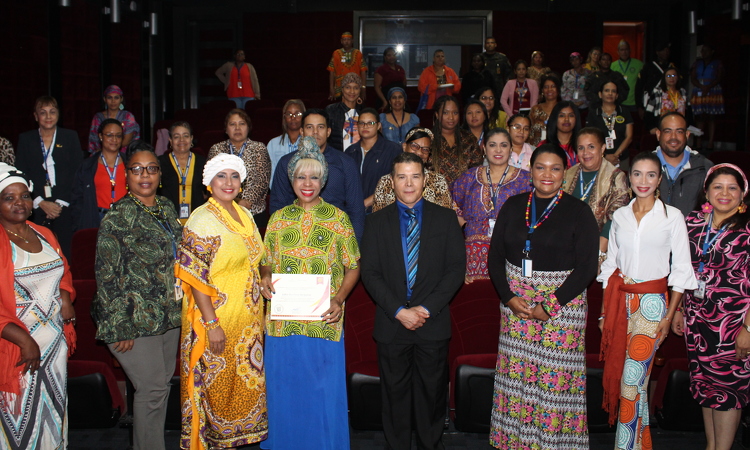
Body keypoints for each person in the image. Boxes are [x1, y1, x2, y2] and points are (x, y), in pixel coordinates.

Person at [487, 144, 599, 450]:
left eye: (555, 168)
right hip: (517, 309)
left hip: (562, 310)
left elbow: (588, 266)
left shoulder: (579, 211)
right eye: (540, 167)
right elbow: (495, 258)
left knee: (554, 387)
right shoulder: (513, 205)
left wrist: (550, 305)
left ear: (565, 173)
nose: (546, 174)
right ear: (530, 170)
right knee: (517, 382)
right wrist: (509, 297)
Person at [259, 137, 360, 450]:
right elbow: (265, 263)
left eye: (314, 176)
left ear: (323, 180)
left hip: (322, 323)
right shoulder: (277, 221)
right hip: (282, 325)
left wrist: (339, 298)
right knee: (285, 392)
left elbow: (354, 266)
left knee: (322, 393)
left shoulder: (339, 220)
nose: (308, 183)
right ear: (291, 180)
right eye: (301, 176)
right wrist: (264, 278)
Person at [360, 151, 465, 450]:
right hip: (392, 325)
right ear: (392, 182)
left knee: (432, 396)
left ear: (425, 179)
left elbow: (456, 270)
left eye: (415, 176)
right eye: (402, 177)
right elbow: (370, 273)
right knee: (393, 397)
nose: (409, 183)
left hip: (432, 323)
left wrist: (424, 308)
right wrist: (398, 311)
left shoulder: (445, 219)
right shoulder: (376, 222)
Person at [598, 151, 697, 450]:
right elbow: (609, 266)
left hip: (653, 305)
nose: (643, 181)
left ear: (659, 179)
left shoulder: (672, 217)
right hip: (618, 304)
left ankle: (624, 446)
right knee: (636, 386)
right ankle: (641, 445)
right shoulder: (620, 216)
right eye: (637, 174)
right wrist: (604, 314)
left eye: (650, 175)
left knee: (631, 383)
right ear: (629, 178)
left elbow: (682, 269)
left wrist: (668, 316)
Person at [92, 141, 182, 450]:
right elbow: (106, 277)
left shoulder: (167, 208)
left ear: (159, 173)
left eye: (152, 169)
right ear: (127, 175)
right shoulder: (116, 218)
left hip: (168, 315)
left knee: (159, 389)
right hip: (133, 318)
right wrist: (120, 326)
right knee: (152, 389)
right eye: (137, 169)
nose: (145, 175)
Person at [176, 153, 268, 449]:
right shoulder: (201, 219)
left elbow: (260, 259)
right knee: (217, 395)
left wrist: (265, 277)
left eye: (234, 176)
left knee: (243, 391)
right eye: (221, 176)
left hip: (248, 326)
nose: (228, 183)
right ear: (208, 183)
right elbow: (195, 278)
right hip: (217, 323)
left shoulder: (246, 215)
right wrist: (212, 323)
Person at [673, 164, 750, 450]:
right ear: (706, 191)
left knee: (729, 391)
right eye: (718, 187)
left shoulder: (747, 230)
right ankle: (711, 446)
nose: (725, 193)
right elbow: (681, 269)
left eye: (733, 188)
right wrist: (679, 309)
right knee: (706, 388)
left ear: (743, 194)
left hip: (734, 325)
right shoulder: (693, 222)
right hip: (697, 321)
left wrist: (748, 329)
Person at [0, 163, 76, 450]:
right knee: (19, 420)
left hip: (55, 344)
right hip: (18, 346)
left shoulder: (44, 232)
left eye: (23, 196)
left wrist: (66, 298)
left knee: (53, 413)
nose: (18, 203)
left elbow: (63, 270)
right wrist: (24, 340)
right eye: (9, 197)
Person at [270, 109, 365, 241]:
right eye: (310, 127)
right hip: (295, 238)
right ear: (302, 132)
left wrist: (355, 250)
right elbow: (277, 206)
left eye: (320, 127)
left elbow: (356, 210)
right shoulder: (287, 163)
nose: (315, 132)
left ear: (328, 132)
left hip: (336, 238)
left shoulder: (345, 163)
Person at [452, 128, 531, 283]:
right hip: (473, 255)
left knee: (508, 299)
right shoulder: (470, 176)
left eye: (503, 145)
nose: (498, 150)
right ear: (484, 148)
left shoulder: (525, 179)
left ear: (511, 148)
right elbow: (451, 202)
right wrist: (462, 223)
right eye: (492, 145)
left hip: (510, 252)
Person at [15, 96, 84, 259]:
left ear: (58, 114)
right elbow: (22, 174)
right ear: (35, 116)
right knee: (38, 254)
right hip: (36, 206)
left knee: (65, 254)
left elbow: (77, 172)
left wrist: (59, 203)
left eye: (52, 112)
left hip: (65, 206)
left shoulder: (70, 137)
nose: (48, 117)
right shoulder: (26, 139)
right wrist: (39, 201)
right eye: (43, 112)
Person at [563, 127, 630, 259]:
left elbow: (616, 217)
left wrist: (599, 251)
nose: (586, 153)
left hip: (600, 247)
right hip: (567, 243)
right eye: (581, 148)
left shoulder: (616, 177)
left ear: (603, 148)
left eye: (591, 147)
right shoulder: (568, 174)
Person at [372, 127, 454, 212]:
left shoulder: (438, 181)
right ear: (404, 146)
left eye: (425, 149)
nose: (419, 152)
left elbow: (445, 217)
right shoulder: (385, 182)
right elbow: (378, 219)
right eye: (414, 146)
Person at [207, 109, 271, 216]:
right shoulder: (216, 149)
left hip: (253, 211)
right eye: (232, 124)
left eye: (242, 124)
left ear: (248, 128)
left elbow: (261, 182)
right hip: (222, 210)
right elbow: (210, 180)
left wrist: (244, 203)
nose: (237, 128)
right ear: (226, 129)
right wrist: (236, 202)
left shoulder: (259, 148)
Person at [70, 119, 128, 231]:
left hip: (125, 218)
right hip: (97, 219)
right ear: (101, 136)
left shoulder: (131, 163)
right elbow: (77, 198)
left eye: (118, 136)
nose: (114, 140)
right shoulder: (87, 166)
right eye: (109, 135)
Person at [654, 112, 713, 217]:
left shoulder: (704, 168)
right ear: (658, 134)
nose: (673, 137)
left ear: (687, 135)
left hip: (692, 232)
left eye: (679, 131)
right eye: (668, 131)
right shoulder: (642, 167)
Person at [345, 108, 402, 210]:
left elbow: (395, 183)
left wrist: (365, 203)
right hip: (354, 211)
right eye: (361, 123)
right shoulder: (350, 151)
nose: (365, 126)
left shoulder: (393, 150)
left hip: (383, 211)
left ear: (378, 126)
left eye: (370, 123)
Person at [158, 121, 207, 224]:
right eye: (176, 137)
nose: (182, 140)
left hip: (197, 222)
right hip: (168, 221)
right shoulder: (160, 163)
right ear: (170, 140)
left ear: (191, 139)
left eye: (185, 136)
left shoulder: (203, 163)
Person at [429, 96, 482, 186]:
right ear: (437, 115)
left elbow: (477, 170)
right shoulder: (428, 138)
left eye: (455, 113)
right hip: (434, 194)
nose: (451, 117)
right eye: (446, 113)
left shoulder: (468, 139)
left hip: (464, 194)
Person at [586, 81, 634, 171]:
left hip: (621, 158)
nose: (610, 93)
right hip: (599, 158)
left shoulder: (624, 111)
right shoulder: (593, 113)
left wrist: (615, 156)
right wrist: (605, 155)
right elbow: (590, 138)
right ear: (600, 94)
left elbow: (629, 137)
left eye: (613, 91)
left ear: (617, 95)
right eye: (607, 90)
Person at [87, 85, 141, 153]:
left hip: (124, 155)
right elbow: (95, 140)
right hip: (102, 154)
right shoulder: (98, 117)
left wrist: (111, 150)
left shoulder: (127, 116)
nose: (113, 101)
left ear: (121, 99)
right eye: (109, 97)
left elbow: (127, 140)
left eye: (116, 98)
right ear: (105, 99)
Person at [690, 43, 725, 151]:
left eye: (706, 50)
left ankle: (710, 142)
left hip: (713, 90)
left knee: (711, 117)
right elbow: (693, 77)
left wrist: (708, 87)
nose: (703, 53)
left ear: (712, 51)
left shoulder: (717, 63)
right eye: (702, 51)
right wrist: (701, 87)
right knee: (699, 116)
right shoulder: (697, 63)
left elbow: (719, 77)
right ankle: (699, 142)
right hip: (699, 89)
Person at [267, 99, 305, 179]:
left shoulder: (310, 143)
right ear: (284, 117)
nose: (293, 117)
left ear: (304, 117)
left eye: (297, 114)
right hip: (279, 189)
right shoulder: (273, 144)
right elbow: (270, 174)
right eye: (289, 114)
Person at [326, 72, 364, 152]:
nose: (352, 91)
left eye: (356, 88)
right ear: (342, 89)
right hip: (336, 158)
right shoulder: (331, 110)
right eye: (348, 87)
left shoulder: (364, 112)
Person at [644, 68, 689, 134]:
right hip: (663, 126)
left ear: (678, 77)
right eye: (668, 76)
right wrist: (651, 127)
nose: (671, 78)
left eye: (674, 75)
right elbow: (649, 111)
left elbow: (688, 111)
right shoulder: (658, 92)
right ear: (664, 78)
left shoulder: (682, 92)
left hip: (680, 125)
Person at [637, 42, 675, 120]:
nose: (666, 52)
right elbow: (639, 86)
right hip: (651, 103)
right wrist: (639, 106)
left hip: (668, 103)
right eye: (664, 50)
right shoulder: (649, 67)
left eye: (668, 50)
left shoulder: (672, 67)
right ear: (658, 52)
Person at [539, 101, 581, 167]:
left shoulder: (582, 145)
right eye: (561, 115)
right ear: (554, 119)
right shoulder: (544, 145)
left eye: (571, 115)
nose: (566, 119)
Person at [328, 31, 367, 101]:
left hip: (355, 87)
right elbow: (331, 71)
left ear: (352, 41)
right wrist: (331, 88)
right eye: (344, 40)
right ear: (341, 41)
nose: (346, 42)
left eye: (348, 39)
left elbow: (363, 71)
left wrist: (363, 87)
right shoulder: (336, 53)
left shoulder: (358, 53)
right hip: (339, 87)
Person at [611, 40, 644, 112]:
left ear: (630, 51)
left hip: (634, 103)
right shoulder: (612, 65)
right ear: (618, 52)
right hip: (618, 102)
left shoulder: (639, 64)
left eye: (626, 49)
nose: (624, 52)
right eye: (622, 50)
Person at [529, 73, 561, 146]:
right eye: (546, 87)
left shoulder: (563, 109)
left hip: (558, 149)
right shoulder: (535, 109)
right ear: (542, 90)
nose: (549, 89)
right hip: (536, 149)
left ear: (558, 89)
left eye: (553, 86)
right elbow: (530, 133)